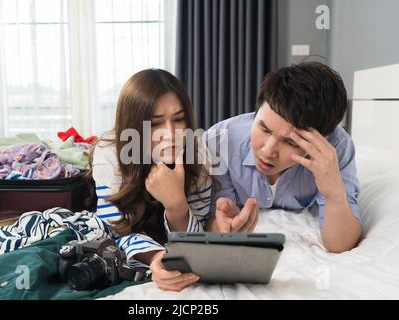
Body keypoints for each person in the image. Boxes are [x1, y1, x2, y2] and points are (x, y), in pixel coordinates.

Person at [205, 62, 362, 253]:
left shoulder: (336, 148)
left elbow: (339, 245)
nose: (268, 150)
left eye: (291, 142)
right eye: (264, 128)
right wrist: (220, 226)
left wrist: (334, 193)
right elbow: (211, 219)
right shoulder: (219, 141)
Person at [90, 69, 214, 291]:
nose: (170, 133)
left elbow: (195, 243)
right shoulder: (109, 156)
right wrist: (156, 258)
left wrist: (177, 206)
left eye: (179, 119)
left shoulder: (199, 156)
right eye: (155, 123)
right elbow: (117, 230)